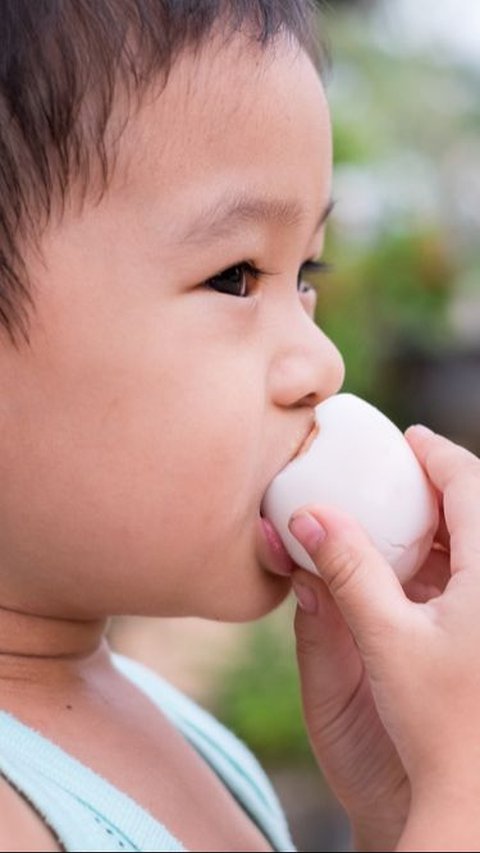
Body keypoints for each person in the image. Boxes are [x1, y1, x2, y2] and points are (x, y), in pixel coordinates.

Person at [0, 1, 478, 850]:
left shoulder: (183, 730)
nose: (324, 364)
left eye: (306, 273)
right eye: (235, 276)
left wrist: (398, 810)